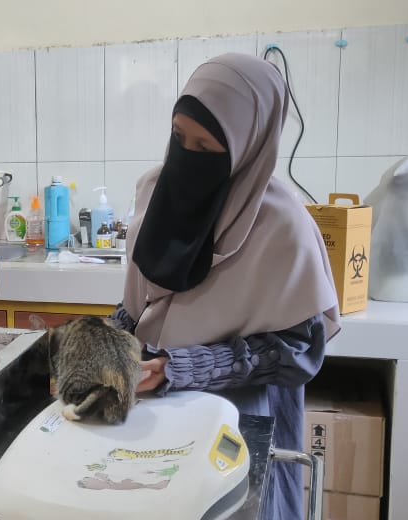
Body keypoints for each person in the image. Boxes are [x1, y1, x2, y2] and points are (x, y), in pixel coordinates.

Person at [110, 53, 341, 519]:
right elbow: (140, 304)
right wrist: (106, 344)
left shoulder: (282, 227)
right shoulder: (155, 193)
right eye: (179, 138)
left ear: (247, 148)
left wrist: (180, 367)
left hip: (239, 420)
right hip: (152, 406)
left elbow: (296, 351)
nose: (185, 158)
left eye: (205, 148)